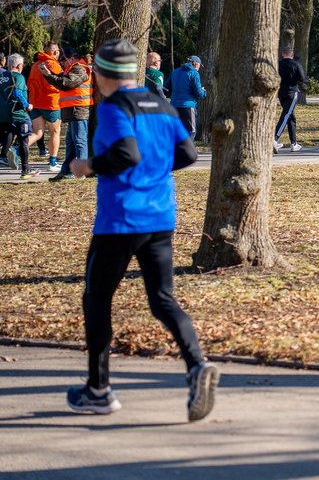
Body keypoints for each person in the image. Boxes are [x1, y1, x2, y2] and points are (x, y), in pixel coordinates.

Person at [65, 38, 220, 421]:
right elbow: (187, 154)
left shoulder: (116, 107)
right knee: (162, 299)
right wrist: (153, 174)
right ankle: (197, 364)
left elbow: (124, 154)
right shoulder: (160, 103)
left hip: (120, 219)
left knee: (97, 298)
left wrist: (88, 166)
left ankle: (98, 390)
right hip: (160, 216)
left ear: (102, 74)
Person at [40, 52, 94, 182]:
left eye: (63, 60)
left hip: (79, 110)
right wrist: (48, 74)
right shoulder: (72, 69)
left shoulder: (80, 68)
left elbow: (66, 83)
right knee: (71, 143)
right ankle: (66, 171)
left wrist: (49, 75)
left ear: (72, 58)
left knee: (79, 141)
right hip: (73, 111)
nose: (61, 63)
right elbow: (61, 80)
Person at [26, 41, 64, 172]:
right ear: (54, 52)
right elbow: (59, 84)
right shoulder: (54, 64)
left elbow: (29, 84)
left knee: (37, 133)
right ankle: (52, 162)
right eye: (58, 51)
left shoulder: (35, 65)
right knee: (55, 132)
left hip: (35, 103)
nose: (59, 53)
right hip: (51, 103)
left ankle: (17, 149)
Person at [0, 54, 38, 179]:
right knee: (24, 141)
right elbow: (17, 92)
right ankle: (25, 170)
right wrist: (27, 105)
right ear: (19, 66)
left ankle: (7, 154)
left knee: (9, 135)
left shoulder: (2, 76)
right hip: (18, 113)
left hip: (4, 115)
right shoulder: (18, 77)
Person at [274, 46, 307, 153]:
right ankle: (274, 138)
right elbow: (302, 79)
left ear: (282, 54)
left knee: (291, 117)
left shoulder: (278, 64)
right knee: (286, 115)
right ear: (291, 54)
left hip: (281, 93)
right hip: (292, 92)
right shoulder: (296, 64)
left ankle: (294, 143)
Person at [169, 55, 207, 140]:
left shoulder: (175, 72)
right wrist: (204, 92)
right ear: (196, 64)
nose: (199, 68)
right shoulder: (194, 73)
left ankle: (175, 151)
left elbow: (166, 88)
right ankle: (187, 151)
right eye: (199, 66)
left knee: (176, 131)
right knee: (191, 131)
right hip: (188, 106)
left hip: (174, 106)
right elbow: (199, 92)